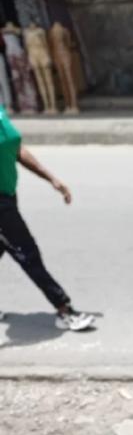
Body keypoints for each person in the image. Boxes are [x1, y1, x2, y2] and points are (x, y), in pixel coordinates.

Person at [0, 103, 94, 330]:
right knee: (27, 252)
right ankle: (64, 309)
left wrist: (51, 178)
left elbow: (16, 148)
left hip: (8, 195)